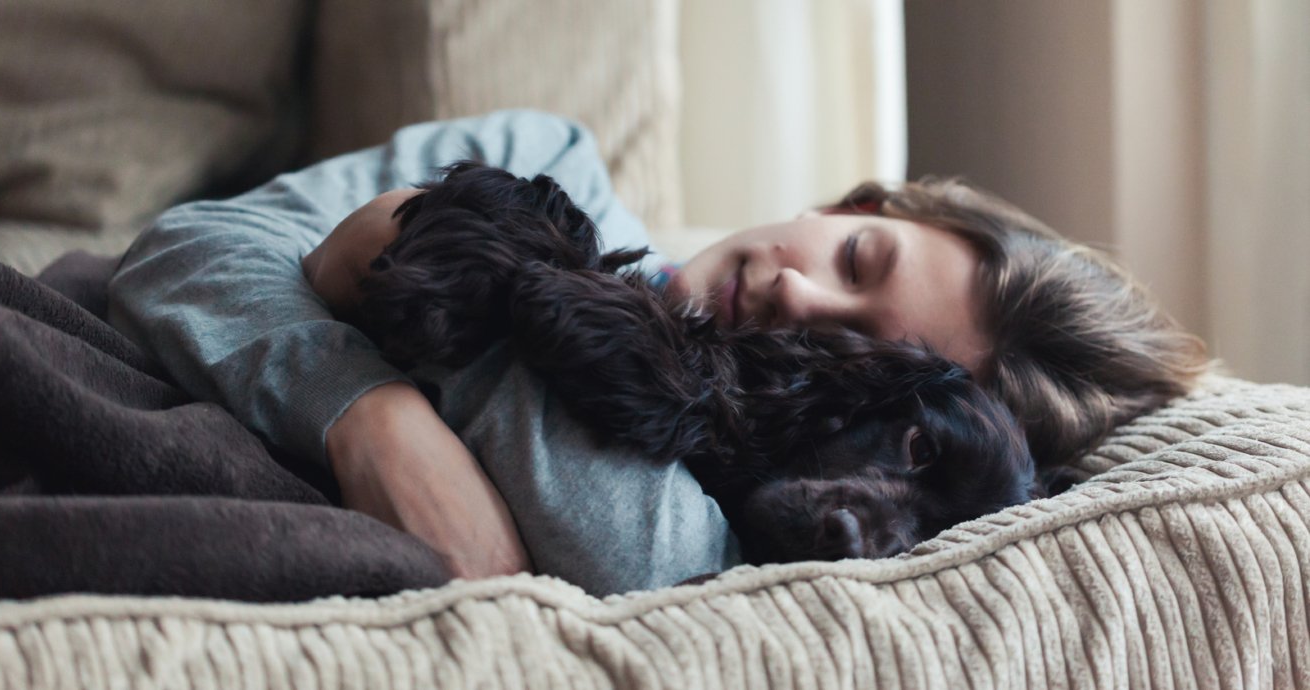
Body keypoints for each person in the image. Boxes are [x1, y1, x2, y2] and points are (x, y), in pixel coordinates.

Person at [108, 110, 1208, 593]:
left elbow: (652, 566)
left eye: (853, 344)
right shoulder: (542, 158)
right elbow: (186, 252)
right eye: (856, 256)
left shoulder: (732, 512)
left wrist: (471, 308)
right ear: (855, 203)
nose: (796, 293)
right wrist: (374, 419)